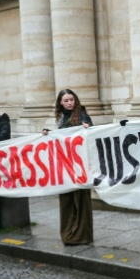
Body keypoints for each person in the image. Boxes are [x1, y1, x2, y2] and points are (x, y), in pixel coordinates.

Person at [45, 89, 93, 245]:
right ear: (60, 103)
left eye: (72, 99)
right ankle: (68, 234)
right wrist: (49, 134)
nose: (69, 103)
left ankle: (82, 235)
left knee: (81, 201)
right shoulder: (62, 117)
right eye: (66, 101)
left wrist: (87, 128)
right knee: (67, 201)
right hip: (65, 166)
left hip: (79, 166)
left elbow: (89, 134)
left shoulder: (82, 115)